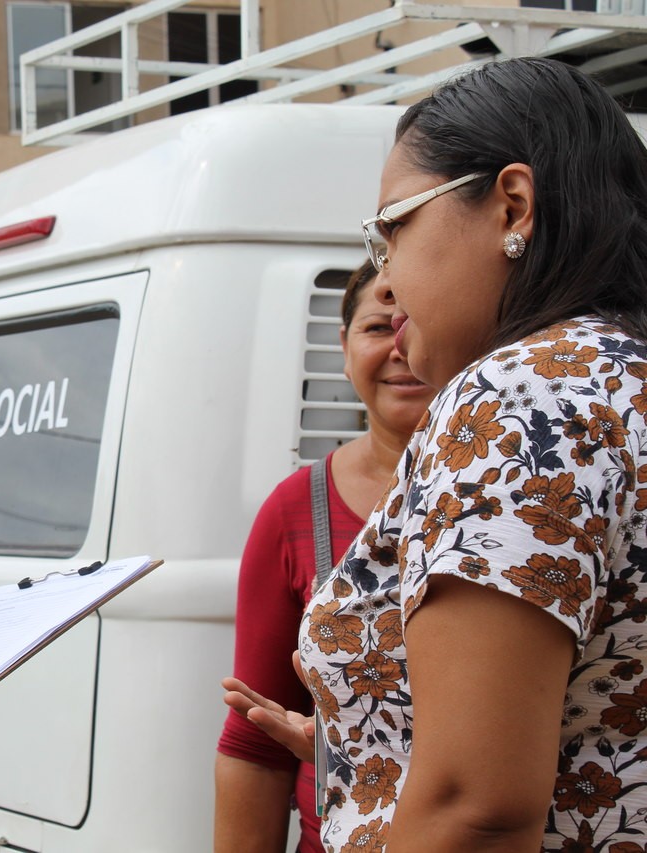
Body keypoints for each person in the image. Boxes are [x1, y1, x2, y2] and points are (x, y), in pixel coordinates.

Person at [224, 57, 647, 852]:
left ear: (512, 207)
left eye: (393, 226)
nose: (386, 271)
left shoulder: (521, 397)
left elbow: (471, 807)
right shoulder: (621, 374)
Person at [214, 262, 436, 852]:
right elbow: (256, 741)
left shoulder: (522, 499)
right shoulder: (295, 510)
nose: (400, 344)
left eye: (419, 319)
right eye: (376, 326)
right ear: (343, 347)